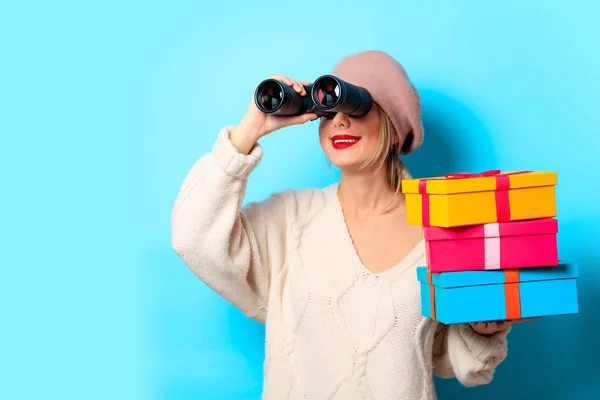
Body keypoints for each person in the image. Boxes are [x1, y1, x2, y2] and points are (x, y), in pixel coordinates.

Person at [171, 50, 513, 399]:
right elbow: (192, 238)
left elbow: (458, 363)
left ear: (396, 129)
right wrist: (249, 130)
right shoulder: (290, 220)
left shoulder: (443, 228)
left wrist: (483, 331)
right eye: (328, 111)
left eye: (356, 107)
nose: (339, 122)